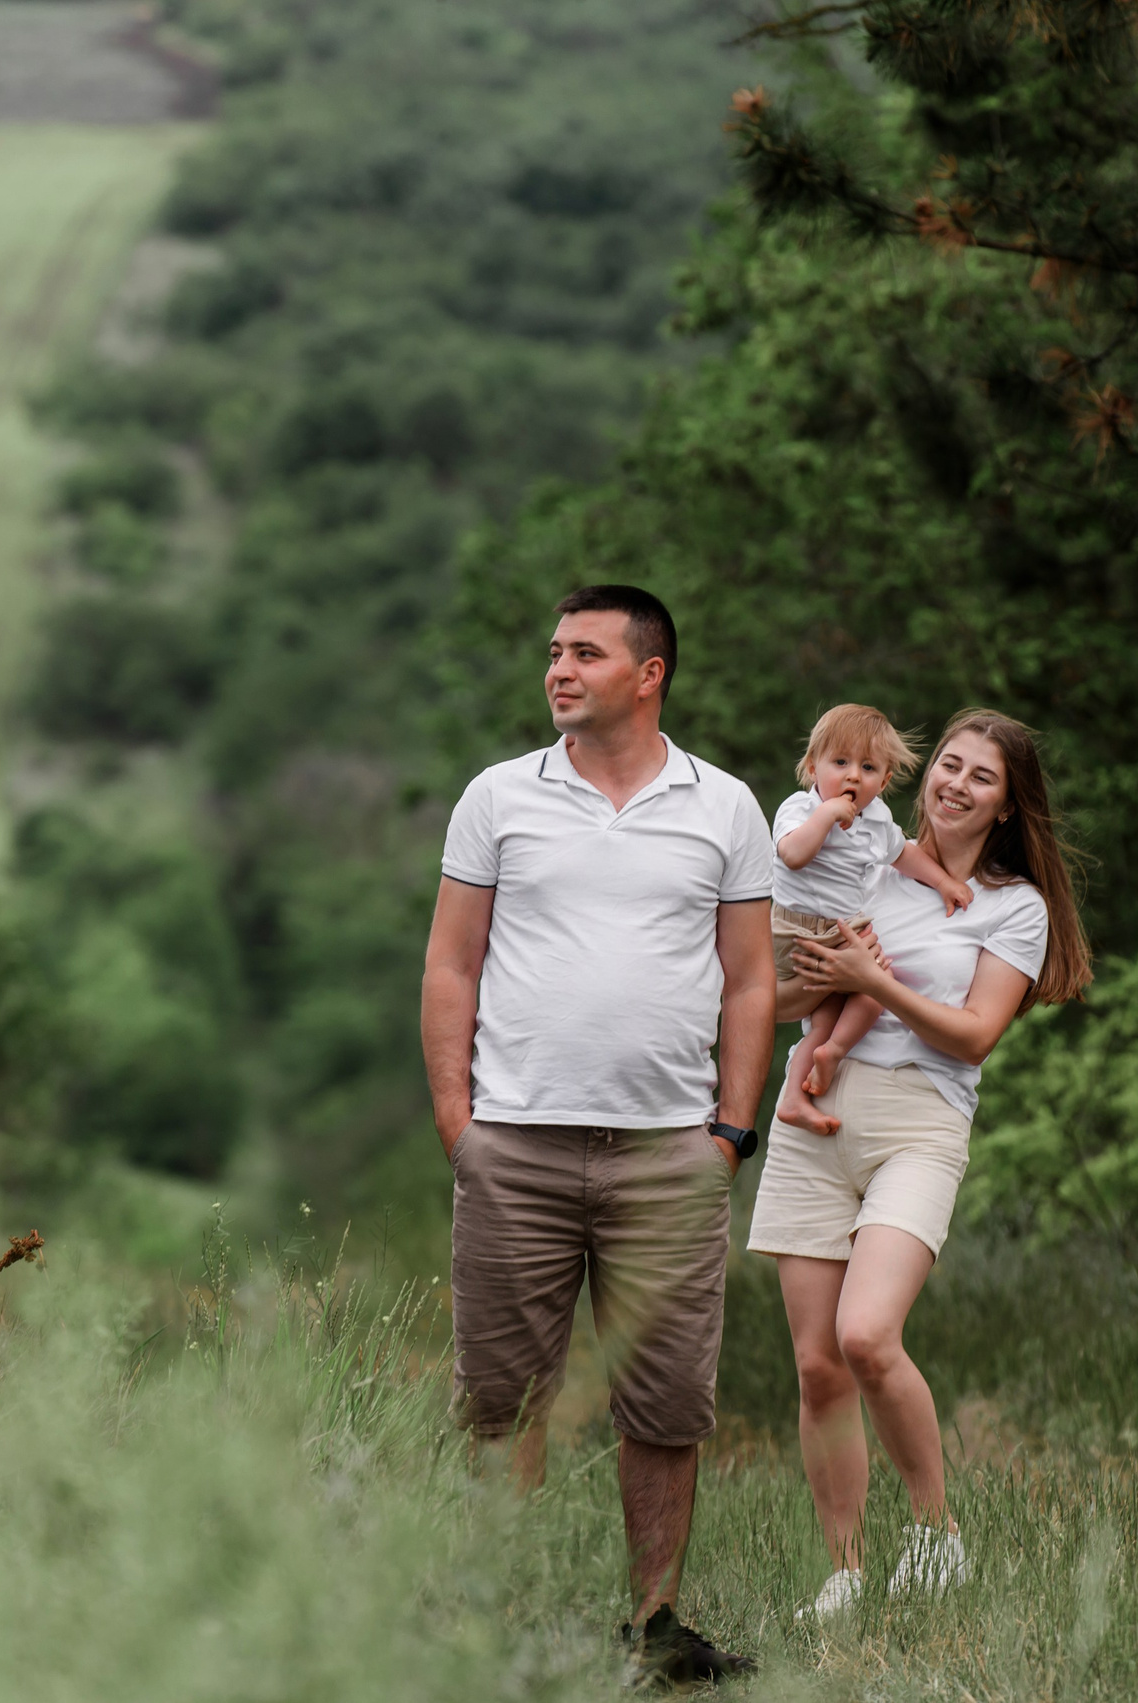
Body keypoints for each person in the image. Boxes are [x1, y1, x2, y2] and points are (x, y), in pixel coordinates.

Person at [420, 584, 776, 1686]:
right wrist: (458, 1124)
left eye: (583, 652)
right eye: (552, 653)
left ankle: (655, 1626)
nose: (557, 670)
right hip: (514, 1144)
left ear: (648, 671)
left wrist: (727, 1130)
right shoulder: (497, 796)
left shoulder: (724, 805)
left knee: (665, 1398)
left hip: (669, 1149)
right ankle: (501, 1615)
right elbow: (451, 963)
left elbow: (753, 980)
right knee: (500, 1393)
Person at [745, 708, 1092, 1622]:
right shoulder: (862, 854)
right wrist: (821, 985)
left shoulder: (1016, 907)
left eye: (981, 776)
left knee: (867, 1335)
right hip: (816, 1111)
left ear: (1010, 803)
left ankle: (937, 1538)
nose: (955, 784)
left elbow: (976, 1037)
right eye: (947, 764)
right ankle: (848, 1571)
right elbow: (776, 998)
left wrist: (874, 983)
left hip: (920, 1122)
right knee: (818, 1366)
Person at [768, 704, 973, 1139]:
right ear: (812, 767)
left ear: (883, 782)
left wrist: (942, 882)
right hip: (795, 929)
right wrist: (824, 818)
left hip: (845, 929)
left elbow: (904, 854)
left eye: (867, 768)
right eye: (839, 763)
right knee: (851, 987)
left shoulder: (877, 819)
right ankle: (819, 1060)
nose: (852, 777)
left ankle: (816, 1070)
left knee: (874, 990)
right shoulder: (801, 809)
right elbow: (793, 855)